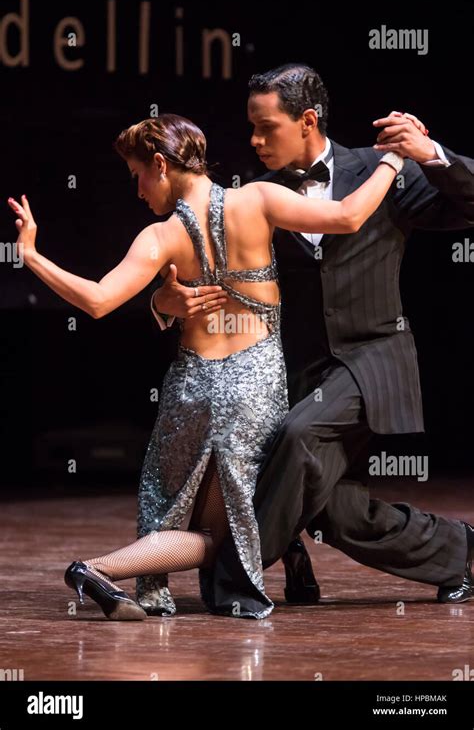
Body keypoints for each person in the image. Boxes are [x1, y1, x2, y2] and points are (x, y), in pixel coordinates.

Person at [8, 113, 403, 619]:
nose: (138, 191)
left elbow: (99, 301)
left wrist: (33, 257)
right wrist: (394, 160)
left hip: (191, 389)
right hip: (251, 387)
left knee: (177, 507)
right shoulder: (257, 199)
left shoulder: (159, 236)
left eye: (138, 177)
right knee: (228, 528)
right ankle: (97, 570)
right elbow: (349, 216)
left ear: (160, 164)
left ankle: (276, 562)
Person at [149, 64, 474, 615]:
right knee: (334, 507)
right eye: (250, 127)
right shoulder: (254, 196)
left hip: (373, 361)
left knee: (300, 439)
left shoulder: (379, 169)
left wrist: (429, 151)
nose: (253, 140)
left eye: (265, 127)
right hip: (297, 371)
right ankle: (458, 552)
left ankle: (234, 579)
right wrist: (165, 303)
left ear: (307, 120)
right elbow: (198, 266)